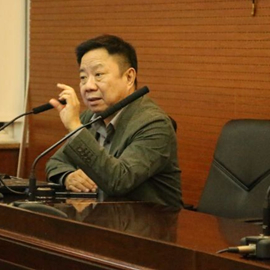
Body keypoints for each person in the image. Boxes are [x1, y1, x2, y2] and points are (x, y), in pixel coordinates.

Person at [45, 35, 182, 208]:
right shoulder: (89, 118)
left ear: (129, 77)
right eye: (83, 77)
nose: (88, 86)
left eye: (98, 75)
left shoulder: (155, 124)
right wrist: (68, 176)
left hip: (148, 222)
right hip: (103, 217)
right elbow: (56, 163)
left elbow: (118, 181)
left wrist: (74, 126)